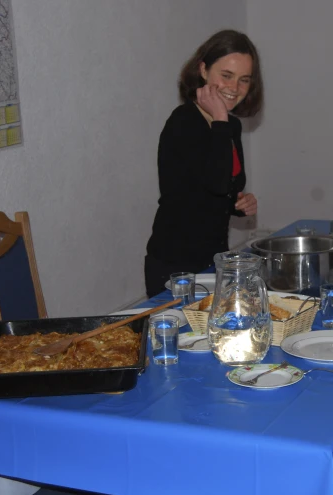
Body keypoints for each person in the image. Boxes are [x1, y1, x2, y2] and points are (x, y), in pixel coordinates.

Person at [145, 30, 263, 297]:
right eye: (226, 76)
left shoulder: (229, 125)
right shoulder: (184, 122)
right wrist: (220, 117)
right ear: (203, 70)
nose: (235, 88)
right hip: (175, 265)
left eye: (244, 80)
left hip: (212, 260)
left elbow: (215, 190)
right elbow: (217, 183)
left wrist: (240, 205)